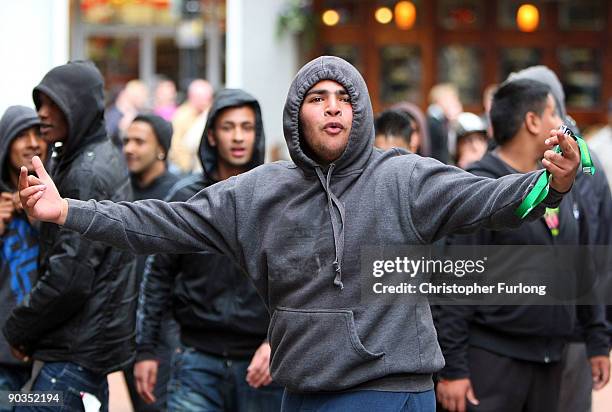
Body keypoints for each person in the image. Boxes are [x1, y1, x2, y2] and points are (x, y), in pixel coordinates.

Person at [18, 56, 581, 412]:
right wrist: (66, 209)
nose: (334, 108)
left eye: (346, 99)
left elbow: (495, 201)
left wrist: (549, 187)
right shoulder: (258, 192)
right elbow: (160, 222)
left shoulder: (402, 175)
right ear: (296, 116)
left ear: (360, 115)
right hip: (303, 392)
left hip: (388, 390)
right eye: (319, 99)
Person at [434, 79, 609, 412]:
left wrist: (597, 340)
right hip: (490, 362)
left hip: (549, 360)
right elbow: (456, 282)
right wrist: (453, 369)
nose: (562, 123)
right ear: (532, 122)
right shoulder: (480, 186)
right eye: (553, 113)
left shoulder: (562, 182)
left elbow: (583, 264)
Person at [135, 88, 283, 411]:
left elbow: (298, 279)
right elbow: (158, 274)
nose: (239, 137)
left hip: (260, 364)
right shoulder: (187, 196)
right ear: (213, 135)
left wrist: (276, 342)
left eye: (247, 127)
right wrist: (145, 350)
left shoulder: (275, 198)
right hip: (195, 360)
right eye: (229, 127)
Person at [3, 61, 137, 411]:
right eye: (40, 103)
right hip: (79, 355)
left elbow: (70, 276)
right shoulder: (83, 158)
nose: (42, 115)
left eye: (53, 105)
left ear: (77, 108)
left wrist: (18, 328)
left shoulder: (87, 172)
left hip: (71, 361)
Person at [508, 65, 612, 412]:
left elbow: (595, 250)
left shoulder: (582, 162)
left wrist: (597, 334)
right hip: (524, 332)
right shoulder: (520, 158)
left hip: (574, 327)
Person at [122, 113, 180, 411]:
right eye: (127, 140)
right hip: (124, 323)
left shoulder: (179, 193)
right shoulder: (119, 189)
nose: (129, 148)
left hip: (164, 328)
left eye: (139, 141)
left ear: (161, 149)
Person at [0, 106, 48, 402]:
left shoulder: (60, 197)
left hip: (48, 355)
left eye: (39, 134)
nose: (33, 142)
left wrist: (36, 216)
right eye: (22, 136)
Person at [169, 79, 214, 174]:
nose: (206, 102)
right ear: (191, 97)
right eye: (202, 98)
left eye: (208, 98)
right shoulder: (181, 116)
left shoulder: (210, 112)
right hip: (185, 169)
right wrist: (186, 167)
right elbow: (175, 145)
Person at [105, 79, 150, 146]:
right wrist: (121, 128)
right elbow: (106, 136)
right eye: (141, 96)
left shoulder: (139, 113)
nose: (144, 99)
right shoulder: (115, 113)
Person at [427, 83, 463, 164]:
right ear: (439, 101)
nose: (456, 103)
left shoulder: (445, 121)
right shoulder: (434, 122)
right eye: (452, 99)